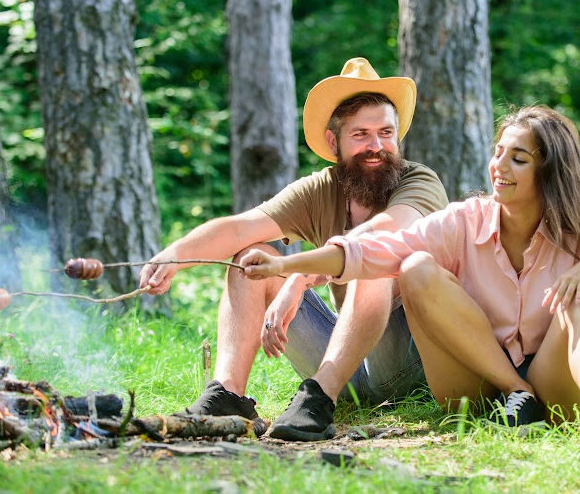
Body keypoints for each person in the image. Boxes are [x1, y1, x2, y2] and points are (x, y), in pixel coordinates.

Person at [240, 105, 580, 468]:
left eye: (518, 159)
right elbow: (372, 252)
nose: (499, 168)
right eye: (498, 153)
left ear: (550, 172)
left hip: (554, 387)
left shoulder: (579, 239)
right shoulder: (465, 221)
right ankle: (515, 391)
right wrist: (288, 264)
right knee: (415, 266)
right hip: (475, 386)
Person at [140, 57, 447, 441]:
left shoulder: (419, 181)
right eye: (361, 135)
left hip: (408, 364)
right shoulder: (323, 189)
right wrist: (174, 255)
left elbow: (382, 234)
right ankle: (227, 395)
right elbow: (241, 226)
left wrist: (299, 278)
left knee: (373, 261)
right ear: (334, 142)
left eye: (386, 133)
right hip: (352, 365)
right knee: (250, 259)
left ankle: (318, 398)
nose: (377, 146)